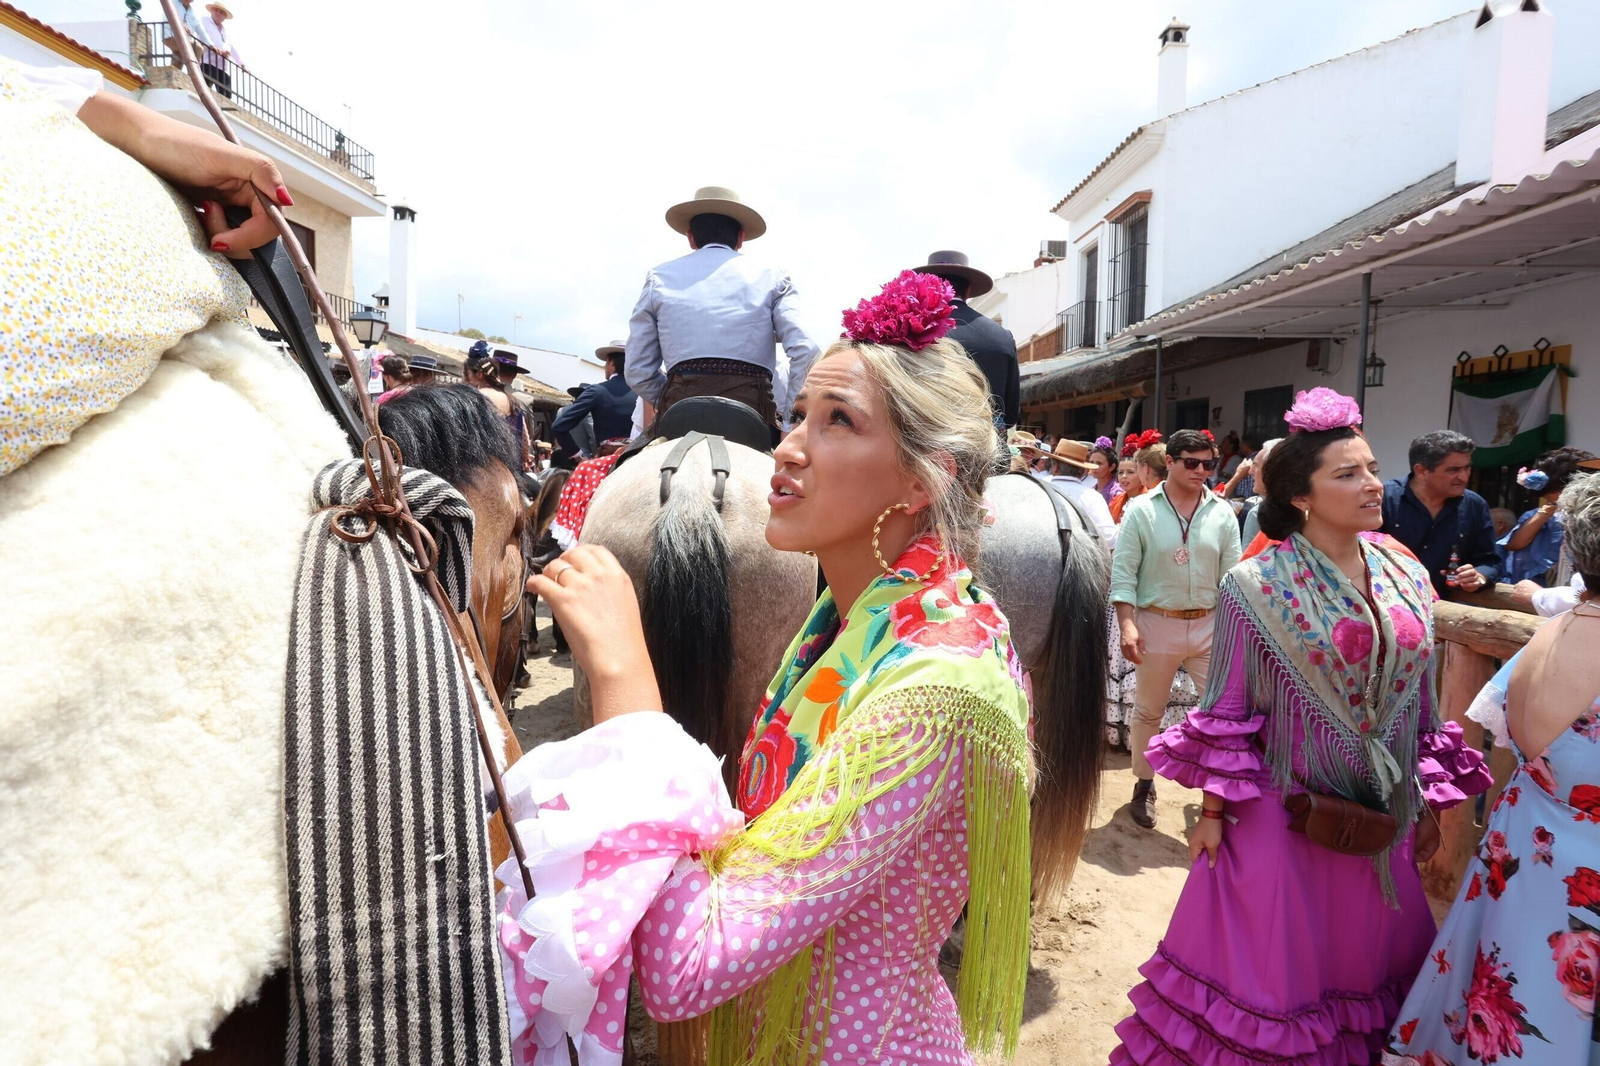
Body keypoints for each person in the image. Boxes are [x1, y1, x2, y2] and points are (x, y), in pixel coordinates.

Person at [502, 272, 1078, 1065]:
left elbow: (683, 971)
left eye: (838, 420)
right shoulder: (854, 615)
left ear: (924, 478)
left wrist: (627, 681)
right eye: (799, 413)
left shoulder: (936, 689)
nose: (786, 447)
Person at [1110, 388, 1491, 1066]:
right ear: (1303, 496)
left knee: (1367, 976)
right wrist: (1213, 813)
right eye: (1347, 473)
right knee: (1274, 991)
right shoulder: (1255, 585)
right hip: (1284, 822)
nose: (1372, 483)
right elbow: (1225, 713)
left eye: (1371, 468)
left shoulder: (1404, 569)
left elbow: (1422, 704)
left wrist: (1428, 802)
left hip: (1382, 822)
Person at [1384, 472, 1600, 1065]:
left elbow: (1504, 724)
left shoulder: (1552, 634)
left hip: (1525, 849)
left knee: (1508, 986)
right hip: (1578, 865)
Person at [1111, 427, 1242, 828]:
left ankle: (1218, 795)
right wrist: (1128, 625)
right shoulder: (1141, 510)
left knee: (1223, 713)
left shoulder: (1221, 513)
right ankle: (1143, 784)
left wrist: (1235, 633)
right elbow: (1123, 573)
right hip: (1158, 623)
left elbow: (1233, 578)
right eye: (1192, 463)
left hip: (1209, 625)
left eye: (1209, 464)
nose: (1202, 470)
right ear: (1169, 462)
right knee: (1149, 710)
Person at [624, 186, 819, 433]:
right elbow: (808, 349)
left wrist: (673, 396)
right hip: (755, 419)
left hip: (679, 415)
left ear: (691, 238)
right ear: (740, 237)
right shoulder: (773, 279)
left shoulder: (658, 278)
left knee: (622, 463)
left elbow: (636, 371)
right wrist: (790, 424)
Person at [907, 250, 1020, 430]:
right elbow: (1011, 416)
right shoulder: (1003, 337)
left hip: (928, 449)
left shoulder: (912, 331)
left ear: (927, 287)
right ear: (968, 291)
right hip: (988, 452)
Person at [1381, 430, 1502, 596]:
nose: (1463, 477)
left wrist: (1478, 576)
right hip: (1385, 606)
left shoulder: (1474, 505)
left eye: (1467, 468)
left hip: (1446, 612)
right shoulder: (1382, 499)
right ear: (1422, 471)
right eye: (1453, 470)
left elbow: (1490, 562)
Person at [1498, 447, 1597, 586]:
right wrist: (1547, 512)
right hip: (1540, 587)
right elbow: (1515, 544)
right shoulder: (1538, 515)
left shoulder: (1593, 514)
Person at [551, 340, 636, 459]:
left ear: (611, 363)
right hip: (639, 458)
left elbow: (558, 426)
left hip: (608, 461)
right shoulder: (643, 393)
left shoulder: (596, 391)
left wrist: (579, 456)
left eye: (606, 363)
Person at [1045, 439, 1117, 545]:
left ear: (1055, 467)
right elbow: (1109, 538)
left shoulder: (1038, 488)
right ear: (1083, 471)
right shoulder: (1092, 497)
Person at [199, 3, 246, 98]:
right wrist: (219, 50)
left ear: (224, 17)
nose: (218, 13)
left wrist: (242, 64)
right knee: (204, 89)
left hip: (222, 67)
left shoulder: (225, 31)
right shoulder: (204, 21)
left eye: (221, 12)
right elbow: (204, 37)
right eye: (216, 10)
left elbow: (232, 48)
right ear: (211, 11)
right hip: (207, 62)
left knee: (226, 95)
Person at [1090, 436, 1124, 506]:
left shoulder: (1116, 493)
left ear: (1112, 467)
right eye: (1092, 462)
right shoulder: (1092, 490)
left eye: (1099, 463)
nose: (1094, 466)